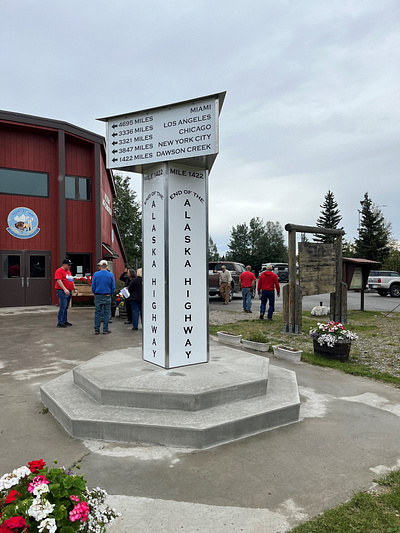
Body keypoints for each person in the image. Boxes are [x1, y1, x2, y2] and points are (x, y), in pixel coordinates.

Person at [91, 259, 115, 335]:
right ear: (107, 266)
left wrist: (95, 292)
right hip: (107, 295)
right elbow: (113, 287)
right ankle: (105, 329)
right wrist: (110, 294)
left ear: (100, 266)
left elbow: (93, 286)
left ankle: (97, 329)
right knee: (107, 312)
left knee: (97, 312)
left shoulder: (96, 274)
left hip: (98, 295)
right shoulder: (110, 275)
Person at [54, 258, 79, 328]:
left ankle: (65, 320)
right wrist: (65, 289)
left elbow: (71, 280)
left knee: (66, 307)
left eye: (70, 265)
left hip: (69, 291)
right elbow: (58, 280)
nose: (69, 267)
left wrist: (74, 288)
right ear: (64, 264)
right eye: (68, 265)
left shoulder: (68, 271)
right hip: (62, 291)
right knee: (63, 306)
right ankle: (60, 322)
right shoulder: (59, 271)